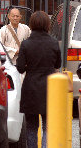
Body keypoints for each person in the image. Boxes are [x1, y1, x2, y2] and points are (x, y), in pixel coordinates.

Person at [16, 11, 61, 148]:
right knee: (48, 126)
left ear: (32, 24)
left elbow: (20, 68)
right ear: (47, 24)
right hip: (49, 88)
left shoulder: (26, 44)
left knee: (31, 127)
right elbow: (57, 65)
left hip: (31, 88)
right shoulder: (53, 43)